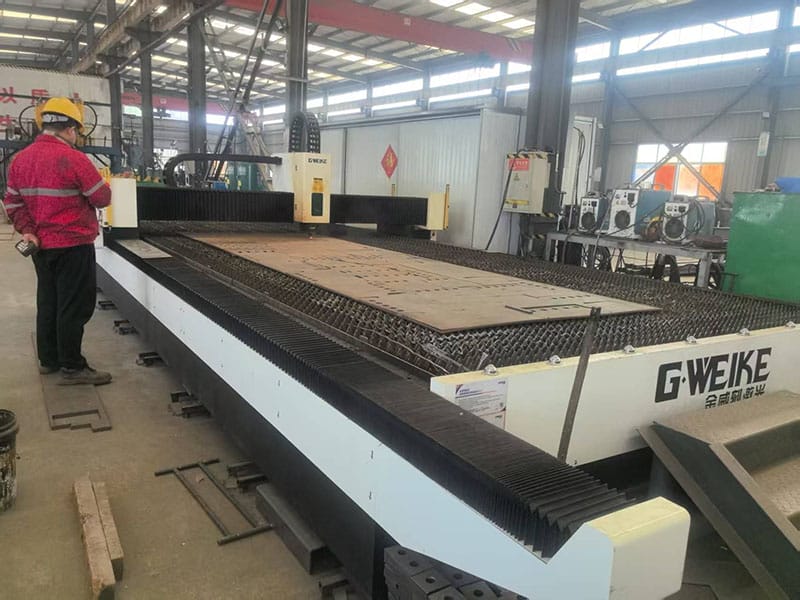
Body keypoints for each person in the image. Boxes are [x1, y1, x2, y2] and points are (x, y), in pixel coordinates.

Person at [3, 97, 112, 385]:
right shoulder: (74, 159)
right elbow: (102, 197)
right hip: (73, 245)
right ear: (70, 129)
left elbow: (12, 203)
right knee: (73, 306)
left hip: (40, 245)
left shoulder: (20, 160)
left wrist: (27, 230)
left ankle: (49, 360)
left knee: (49, 301)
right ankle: (73, 368)